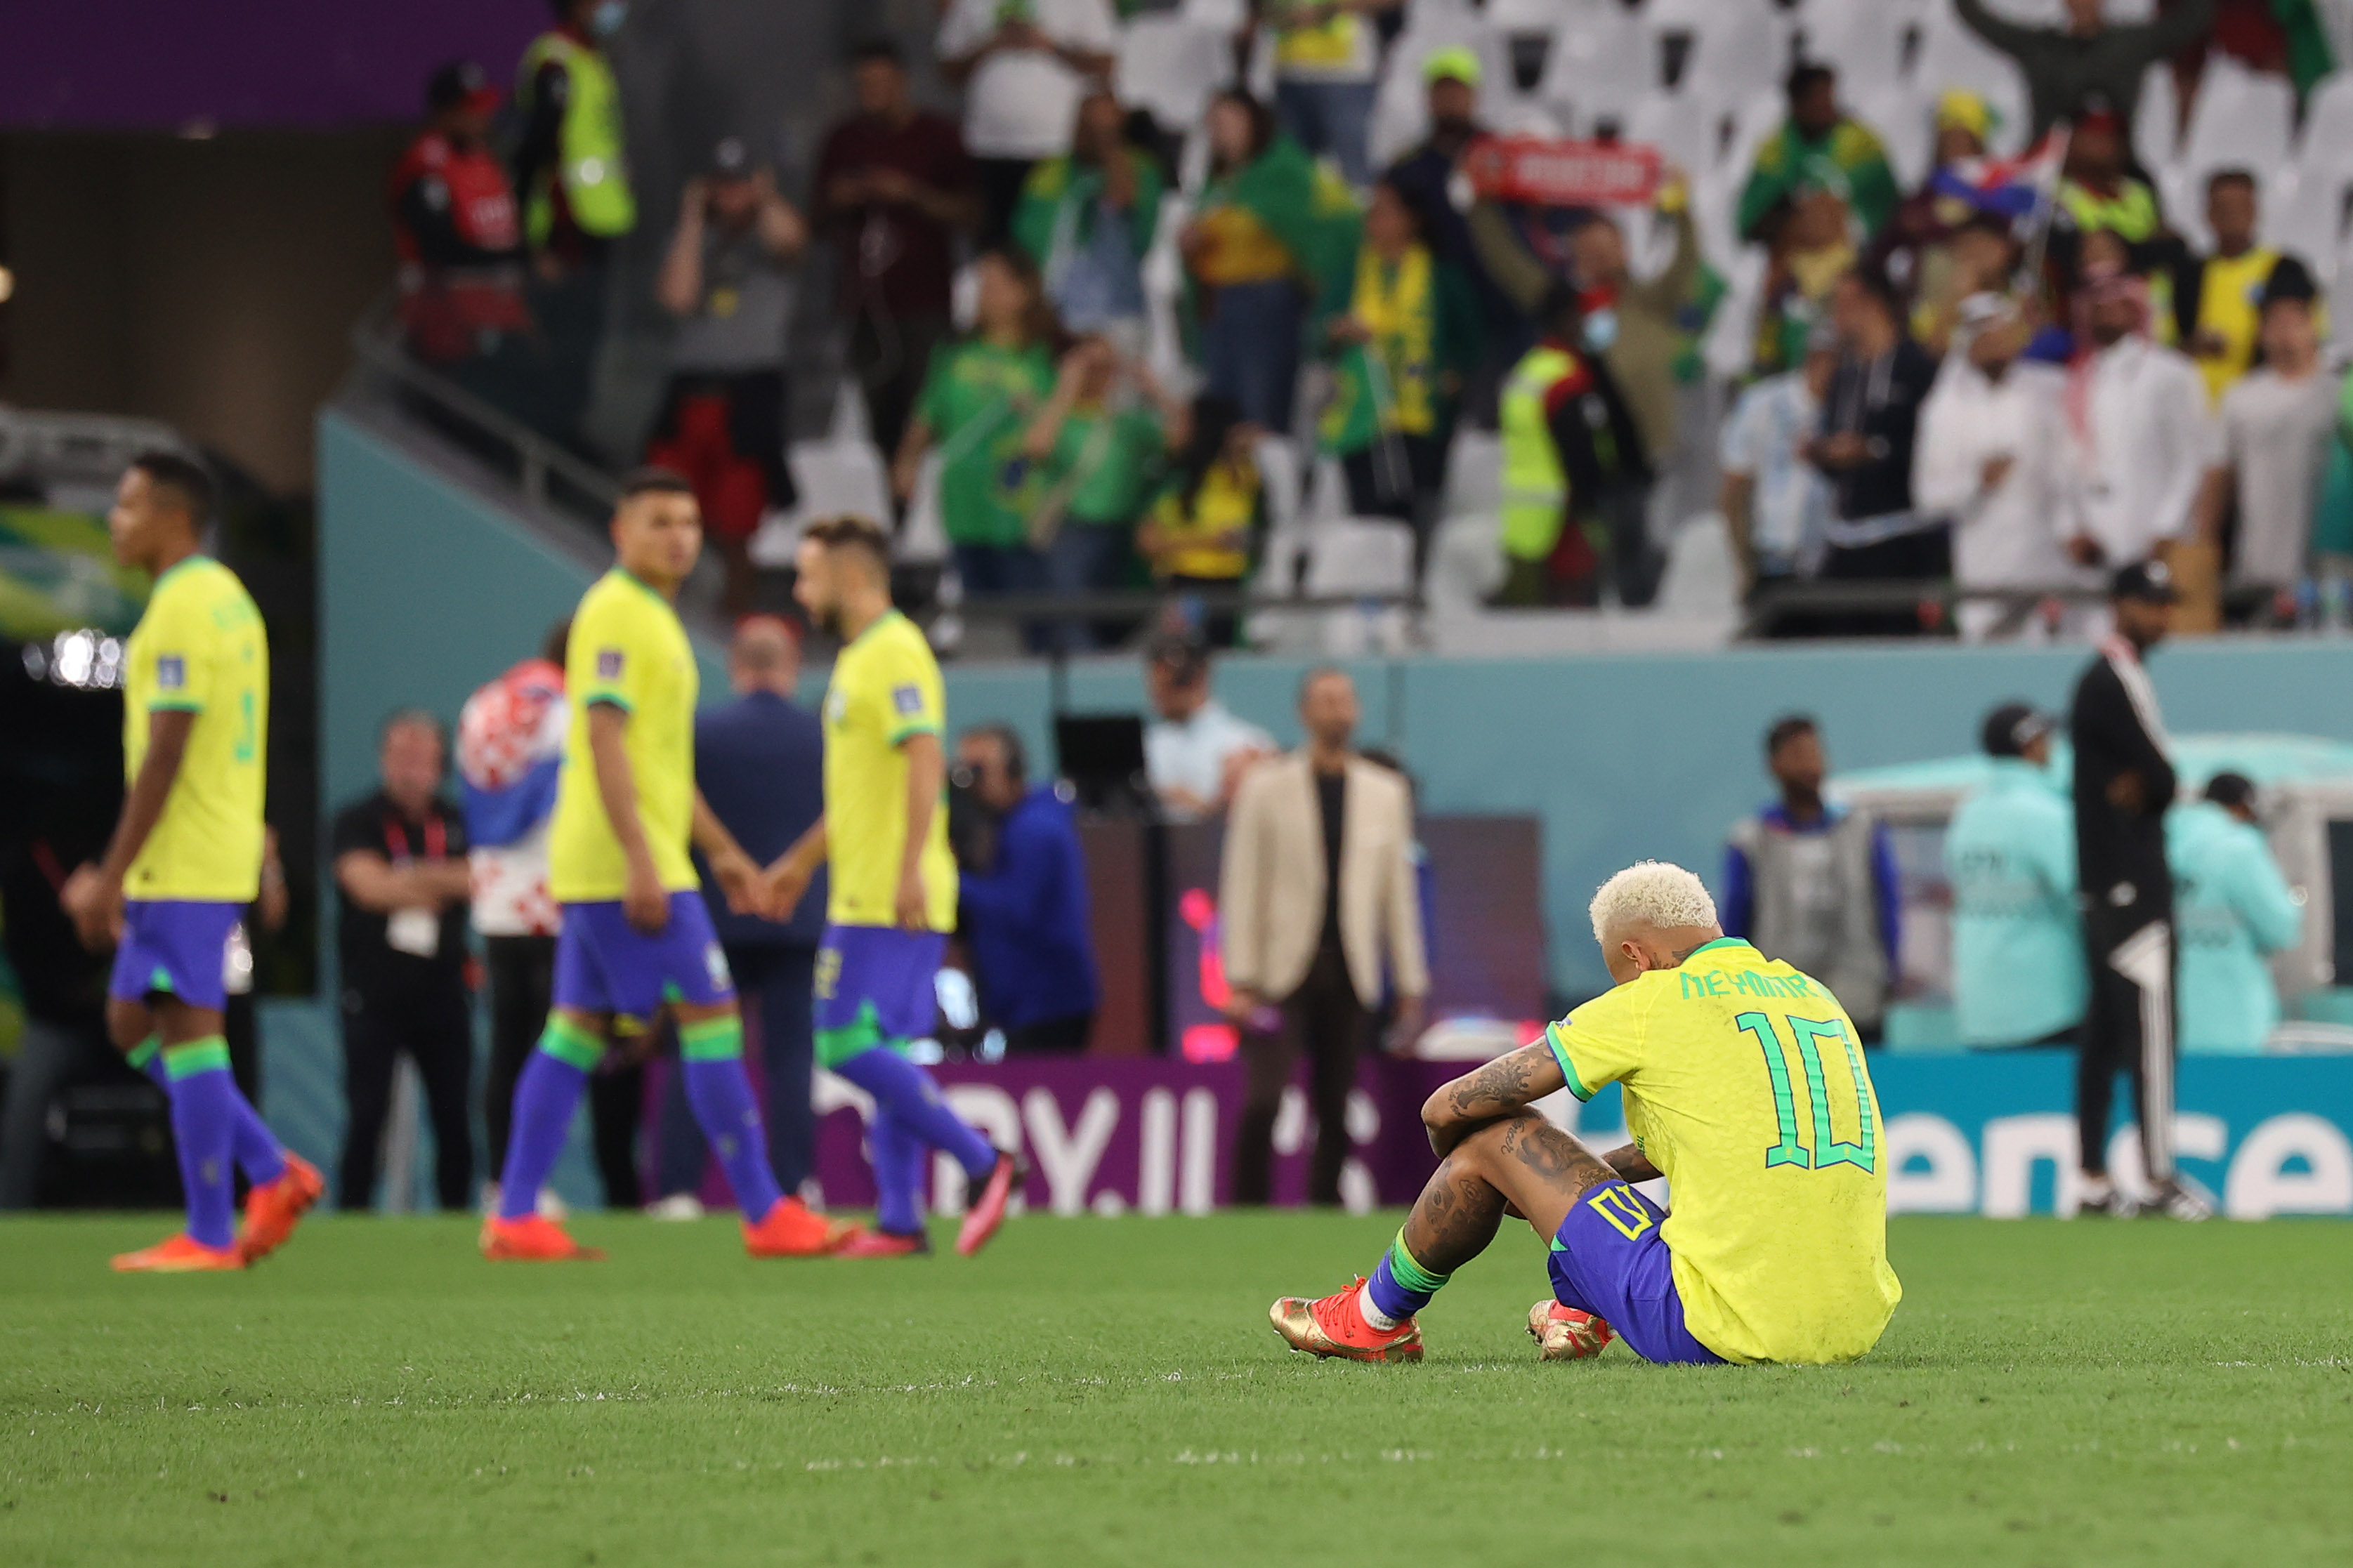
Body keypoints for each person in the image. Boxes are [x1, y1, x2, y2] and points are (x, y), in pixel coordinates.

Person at [1270, 860, 1900, 1366]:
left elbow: (1443, 1108)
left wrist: (1494, 1171)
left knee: (1497, 1135)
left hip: (1715, 1328)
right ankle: (1581, 1310)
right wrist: (1564, 1185)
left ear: (1637, 955)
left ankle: (1374, 1319)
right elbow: (1709, 1138)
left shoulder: (1652, 999)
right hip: (1852, 1324)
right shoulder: (1811, 994)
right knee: (1584, 1180)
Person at [483, 468, 844, 1262]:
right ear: (620, 530)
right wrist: (643, 860)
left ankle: (514, 1212)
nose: (678, 536)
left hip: (616, 859)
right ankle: (765, 1210)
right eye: (658, 521)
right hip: (627, 863)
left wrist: (723, 854)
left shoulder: (651, 616)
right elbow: (604, 738)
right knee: (711, 1019)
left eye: (688, 522)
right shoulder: (616, 611)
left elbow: (660, 767)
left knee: (574, 1031)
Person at [58, 453, 320, 1270]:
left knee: (189, 1030)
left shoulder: (180, 606)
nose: (114, 519)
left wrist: (110, 873)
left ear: (176, 517)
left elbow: (167, 750)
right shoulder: (229, 599)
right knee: (130, 1020)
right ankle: (271, 1168)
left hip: (185, 856)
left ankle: (211, 1228)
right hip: (211, 845)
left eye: (128, 504)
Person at [767, 515, 1023, 1257]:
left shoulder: (894, 650)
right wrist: (800, 861)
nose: (800, 589)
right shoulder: (860, 658)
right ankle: (902, 1220)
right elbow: (860, 793)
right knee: (886, 1050)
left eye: (809, 574)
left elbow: (922, 757)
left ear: (850, 577)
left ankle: (984, 1161)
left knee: (841, 1041)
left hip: (887, 893)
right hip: (871, 883)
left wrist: (909, 866)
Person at [1221, 667, 1426, 1207]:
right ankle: (1245, 1207)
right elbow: (1242, 883)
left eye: (1344, 699)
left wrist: (1410, 979)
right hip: (1279, 966)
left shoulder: (1385, 792)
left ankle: (1324, 1205)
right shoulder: (1265, 787)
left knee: (1336, 1103)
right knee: (1264, 1097)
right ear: (1304, 712)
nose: (1336, 709)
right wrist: (1240, 975)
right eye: (1325, 699)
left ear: (1356, 710)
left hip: (1351, 965)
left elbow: (1398, 894)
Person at [463, 629, 642, 1214]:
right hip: (564, 894)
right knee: (585, 1043)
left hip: (498, 903)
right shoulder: (574, 708)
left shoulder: (484, 704)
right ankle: (616, 1188)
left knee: (510, 1046)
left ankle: (503, 1183)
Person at [659, 616, 830, 1208]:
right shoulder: (821, 736)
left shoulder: (699, 733)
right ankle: (794, 1186)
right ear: (792, 665)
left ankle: (678, 1190)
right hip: (795, 917)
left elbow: (671, 812)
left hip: (713, 916)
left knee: (700, 1049)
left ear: (734, 665)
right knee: (792, 1059)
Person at [2069, 559, 2210, 1219]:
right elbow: (2164, 776)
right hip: (2131, 880)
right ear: (2120, 603)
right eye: (2152, 604)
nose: (2163, 616)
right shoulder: (2111, 677)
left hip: (2105, 882)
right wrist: (2153, 784)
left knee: (2103, 1032)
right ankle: (2157, 1176)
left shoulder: (2111, 677)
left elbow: (2151, 778)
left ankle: (2094, 1178)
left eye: (2167, 603)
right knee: (2151, 1030)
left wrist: (2149, 783)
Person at [649, 136, 808, 615]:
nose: (730, 195)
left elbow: (792, 241)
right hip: (692, 391)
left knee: (737, 521)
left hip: (749, 394)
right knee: (668, 511)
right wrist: (693, 217)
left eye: (739, 185)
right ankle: (670, 609)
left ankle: (733, 616)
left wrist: (766, 196)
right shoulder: (692, 239)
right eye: (721, 185)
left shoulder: (770, 236)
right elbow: (678, 297)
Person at [329, 713, 476, 1212]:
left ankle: (459, 1217)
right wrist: (437, 882)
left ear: (440, 763)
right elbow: (367, 888)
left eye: (422, 756)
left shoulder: (458, 821)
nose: (412, 768)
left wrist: (405, 877)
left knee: (454, 1116)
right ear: (383, 759)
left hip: (443, 992)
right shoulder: (357, 820)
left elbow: (480, 878)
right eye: (401, 755)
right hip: (374, 993)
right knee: (366, 1113)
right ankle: (352, 1216)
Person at [813, 40, 979, 470]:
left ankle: (925, 494)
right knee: (878, 414)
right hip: (864, 305)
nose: (871, 93)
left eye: (880, 83)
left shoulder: (937, 137)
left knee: (927, 409)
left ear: (902, 82)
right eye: (864, 85)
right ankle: (892, 497)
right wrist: (841, 199)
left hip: (925, 303)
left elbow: (972, 212)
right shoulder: (843, 139)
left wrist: (911, 194)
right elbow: (815, 220)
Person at [1320, 178, 1480, 574]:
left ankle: (1414, 584)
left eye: (1385, 212)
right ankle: (1373, 587)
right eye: (1371, 213)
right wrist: (1337, 333)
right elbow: (1317, 335)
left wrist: (1452, 376)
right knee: (1368, 515)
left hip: (1419, 416)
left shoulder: (1441, 277)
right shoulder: (1352, 273)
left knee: (1415, 511)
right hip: (1362, 416)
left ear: (1412, 219)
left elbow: (1469, 340)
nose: (1375, 221)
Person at [1182, 91, 1361, 434]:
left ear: (1254, 123)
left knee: (1258, 409)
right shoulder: (1218, 181)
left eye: (1228, 122)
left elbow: (1331, 223)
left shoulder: (1283, 169)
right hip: (1217, 304)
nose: (1220, 132)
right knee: (1221, 411)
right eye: (1214, 124)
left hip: (1263, 305)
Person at [892, 248, 1061, 607]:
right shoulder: (955, 354)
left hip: (1015, 504)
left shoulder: (1043, 358)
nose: (986, 296)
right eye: (982, 286)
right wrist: (908, 460)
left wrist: (1033, 410)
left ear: (1024, 292)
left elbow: (1057, 427)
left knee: (1020, 607)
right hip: (961, 500)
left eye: (997, 286)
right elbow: (927, 415)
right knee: (970, 603)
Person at [1913, 294, 2083, 643]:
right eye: (1985, 336)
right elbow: (1927, 498)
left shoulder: (2051, 387)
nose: (1996, 344)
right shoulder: (1945, 408)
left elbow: (2073, 467)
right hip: (1985, 571)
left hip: (2049, 564)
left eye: (2002, 333)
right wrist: (1977, 481)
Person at [1723, 716, 1902, 1043]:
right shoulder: (1750, 841)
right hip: (1778, 1006)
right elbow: (1737, 919)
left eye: (1815, 753)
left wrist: (1890, 970)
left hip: (1857, 999)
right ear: (1774, 765)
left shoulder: (1862, 831)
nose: (1809, 765)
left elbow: (1887, 905)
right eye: (1797, 754)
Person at [512, 0, 639, 443]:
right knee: (562, 345)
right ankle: (546, 440)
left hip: (600, 223)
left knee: (587, 342)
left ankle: (569, 433)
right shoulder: (557, 61)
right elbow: (536, 149)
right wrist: (532, 245)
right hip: (566, 228)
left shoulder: (594, 58)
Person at [1492, 284, 1653, 609]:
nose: (1588, 323)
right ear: (1567, 319)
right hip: (1565, 515)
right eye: (1583, 316)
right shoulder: (1566, 378)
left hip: (1525, 515)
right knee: (1569, 614)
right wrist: (1593, 499)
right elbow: (1579, 450)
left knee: (1525, 611)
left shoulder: (1530, 369)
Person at [1018, 336, 1181, 650]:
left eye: (1107, 367)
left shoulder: (1126, 424)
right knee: (1072, 617)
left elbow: (1179, 440)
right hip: (1074, 532)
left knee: (1120, 618)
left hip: (1122, 533)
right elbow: (1036, 449)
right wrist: (1066, 386)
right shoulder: (1056, 417)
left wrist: (1155, 390)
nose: (1100, 375)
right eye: (1092, 367)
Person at [1384, 46, 1520, 421]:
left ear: (1474, 96)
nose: (1449, 100)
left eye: (1457, 91)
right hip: (1434, 311)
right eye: (1441, 91)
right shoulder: (1408, 167)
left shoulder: (1506, 157)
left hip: (1499, 304)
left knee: (1493, 413)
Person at [1806, 266, 1944, 630]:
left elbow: (1936, 453)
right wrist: (1821, 454)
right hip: (1844, 541)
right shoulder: (1845, 375)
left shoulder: (1919, 370)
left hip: (1900, 543)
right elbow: (1839, 452)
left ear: (1873, 304)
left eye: (1843, 304)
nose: (1836, 315)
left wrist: (1876, 452)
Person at [2062, 265, 2217, 588]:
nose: (2106, 309)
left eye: (2116, 301)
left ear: (2136, 310)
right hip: (2093, 547)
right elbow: (2064, 462)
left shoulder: (2173, 373)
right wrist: (2071, 528)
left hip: (2156, 536)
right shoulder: (2077, 379)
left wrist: (2166, 527)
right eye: (2097, 303)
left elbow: (2191, 459)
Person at [2198, 261, 2334, 623]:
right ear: (2260, 331)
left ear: (2313, 324)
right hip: (2258, 569)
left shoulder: (2337, 393)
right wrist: (2205, 550)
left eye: (2295, 321)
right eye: (2275, 322)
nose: (2285, 334)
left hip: (2330, 570)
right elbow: (2219, 478)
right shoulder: (2240, 397)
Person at [1946, 704, 2087, 1048]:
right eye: (2046, 738)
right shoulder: (2046, 814)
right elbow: (2085, 893)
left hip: (1980, 1011)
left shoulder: (1967, 814)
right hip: (2046, 1009)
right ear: (2031, 745)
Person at [955, 724, 1101, 1053]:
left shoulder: (1034, 830)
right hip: (1025, 1000)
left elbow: (1013, 908)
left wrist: (949, 880)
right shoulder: (1010, 825)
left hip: (1047, 1001)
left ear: (1013, 770)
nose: (970, 784)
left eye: (978, 771)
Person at [936, 0, 1117, 246]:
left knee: (1054, 243)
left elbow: (1106, 62)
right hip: (988, 148)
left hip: (1057, 148)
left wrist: (1050, 45)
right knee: (997, 246)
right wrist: (993, 44)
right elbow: (948, 69)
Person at [389, 62, 529, 374]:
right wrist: (525, 256)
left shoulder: (483, 159)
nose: (482, 115)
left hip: (499, 316)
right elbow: (441, 249)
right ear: (443, 112)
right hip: (447, 329)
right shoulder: (425, 166)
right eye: (470, 108)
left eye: (483, 106)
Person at [1011, 88, 1164, 350]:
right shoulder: (1050, 171)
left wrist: (1110, 152)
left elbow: (1127, 206)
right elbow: (1024, 243)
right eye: (1086, 125)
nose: (1092, 135)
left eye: (1104, 129)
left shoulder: (1141, 167)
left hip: (1120, 314)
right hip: (1057, 313)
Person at [1955, 0, 2218, 144]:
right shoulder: (2041, 47)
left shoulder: (2130, 44)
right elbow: (1980, 20)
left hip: (2113, 167)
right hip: (2048, 166)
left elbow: (2190, 20)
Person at [2170, 772, 2302, 1053]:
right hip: (2232, 1021)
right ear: (2243, 807)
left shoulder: (2162, 842)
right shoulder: (2238, 849)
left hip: (2166, 1021)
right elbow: (2282, 927)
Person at [1136, 395, 1267, 645]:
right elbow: (1148, 541)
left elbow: (1261, 443)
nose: (1173, 428)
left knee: (1227, 657)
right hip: (1185, 584)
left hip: (1232, 585)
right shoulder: (1176, 480)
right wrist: (1209, 541)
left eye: (1185, 422)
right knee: (1183, 652)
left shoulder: (1240, 473)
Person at [1720, 324, 1837, 600]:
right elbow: (1734, 489)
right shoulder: (1763, 403)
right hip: (1775, 557)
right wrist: (1745, 564)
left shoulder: (1854, 405)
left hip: (1837, 559)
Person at [1736, 63, 1900, 246]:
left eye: (1828, 96)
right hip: (1794, 250)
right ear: (1798, 104)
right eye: (1817, 98)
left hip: (1860, 248)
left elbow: (1881, 204)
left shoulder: (1858, 142)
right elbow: (1752, 217)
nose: (1827, 105)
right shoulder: (1778, 148)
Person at [2172, 170, 2289, 407]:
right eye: (2224, 208)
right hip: (2196, 408)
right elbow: (2166, 347)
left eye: (2240, 207)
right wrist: (2192, 345)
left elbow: (2307, 340)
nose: (2233, 216)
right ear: (2209, 215)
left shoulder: (2285, 271)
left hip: (2264, 409)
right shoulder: (2188, 275)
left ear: (2255, 211)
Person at [1258, 0, 1401, 188]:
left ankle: (1362, 205)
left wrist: (1325, 10)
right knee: (1293, 172)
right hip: (1290, 73)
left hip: (1346, 75)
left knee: (1352, 170)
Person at [1142, 630, 1274, 822]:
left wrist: (1214, 806)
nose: (1162, 691)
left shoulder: (1249, 743)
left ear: (1201, 675)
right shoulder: (1146, 745)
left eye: (1179, 679)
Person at [2054, 104, 2161, 246]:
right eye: (2092, 134)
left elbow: (2159, 239)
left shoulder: (2140, 192)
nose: (2101, 144)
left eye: (2108, 135)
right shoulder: (2052, 190)